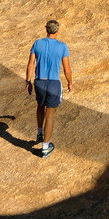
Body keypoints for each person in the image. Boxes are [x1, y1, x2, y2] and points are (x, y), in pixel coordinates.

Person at [24, 19, 73, 157]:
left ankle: (39, 133)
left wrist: (28, 82)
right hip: (53, 84)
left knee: (40, 106)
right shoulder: (62, 46)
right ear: (57, 31)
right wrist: (70, 83)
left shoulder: (37, 43)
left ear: (46, 30)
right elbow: (67, 69)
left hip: (39, 82)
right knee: (50, 113)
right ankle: (45, 147)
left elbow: (30, 65)